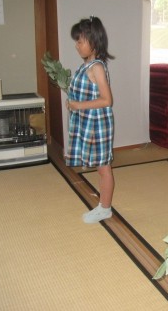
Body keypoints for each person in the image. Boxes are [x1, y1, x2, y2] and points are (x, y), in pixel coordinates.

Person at [65, 16, 115, 224]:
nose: (76, 45)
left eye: (80, 41)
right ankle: (103, 202)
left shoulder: (97, 68)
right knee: (100, 167)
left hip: (98, 125)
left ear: (93, 41)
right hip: (89, 123)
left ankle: (105, 208)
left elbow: (107, 100)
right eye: (76, 41)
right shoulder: (87, 66)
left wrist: (78, 105)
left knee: (104, 169)